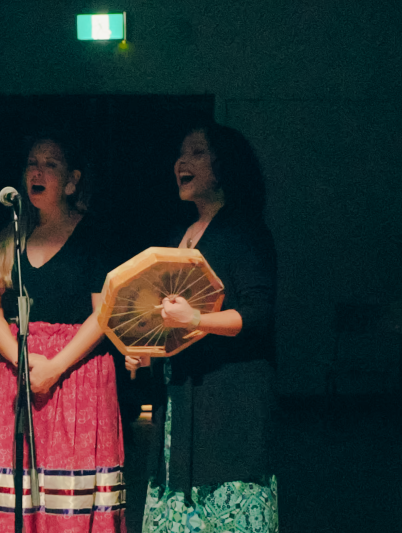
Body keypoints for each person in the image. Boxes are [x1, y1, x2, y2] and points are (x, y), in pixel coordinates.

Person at [127, 123, 278, 532]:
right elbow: (167, 322)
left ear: (223, 165)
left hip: (227, 407)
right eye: (180, 153)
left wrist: (195, 320)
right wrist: (144, 348)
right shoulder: (179, 237)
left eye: (196, 152)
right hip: (179, 404)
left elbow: (258, 314)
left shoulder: (245, 232)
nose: (182, 161)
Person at [0, 131, 126, 532]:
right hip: (21, 373)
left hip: (77, 376)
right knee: (19, 494)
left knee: (68, 502)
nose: (37, 172)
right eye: (31, 163)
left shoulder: (93, 235)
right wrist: (23, 359)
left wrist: (55, 366)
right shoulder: (11, 235)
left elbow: (103, 314)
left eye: (50, 164)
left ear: (72, 180)